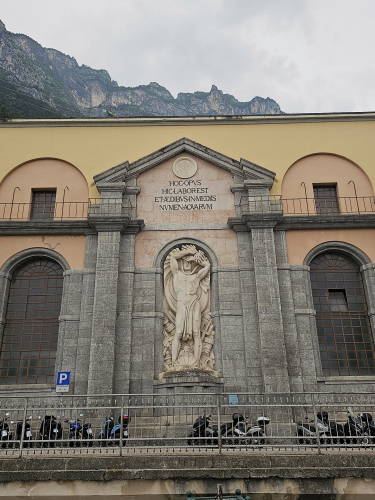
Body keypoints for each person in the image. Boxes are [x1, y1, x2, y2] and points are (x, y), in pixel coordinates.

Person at [169, 244, 210, 367]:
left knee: (196, 332)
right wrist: (187, 252)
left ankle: (197, 363)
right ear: (181, 262)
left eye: (189, 262)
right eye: (184, 261)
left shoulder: (196, 276)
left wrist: (195, 258)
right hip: (182, 304)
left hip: (194, 304)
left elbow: (208, 265)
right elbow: (172, 258)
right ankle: (174, 362)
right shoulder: (176, 274)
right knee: (179, 332)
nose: (187, 263)